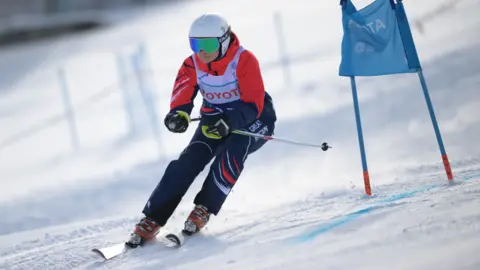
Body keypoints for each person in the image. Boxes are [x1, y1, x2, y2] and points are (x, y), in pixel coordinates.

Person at [126, 13, 277, 247]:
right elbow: (183, 92)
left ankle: (204, 208)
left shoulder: (244, 60)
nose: (202, 51)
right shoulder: (192, 63)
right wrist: (179, 114)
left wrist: (230, 122)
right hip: (214, 117)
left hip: (253, 118)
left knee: (233, 149)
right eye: (195, 44)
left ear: (224, 40)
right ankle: (152, 219)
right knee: (189, 160)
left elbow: (253, 103)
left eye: (207, 44)